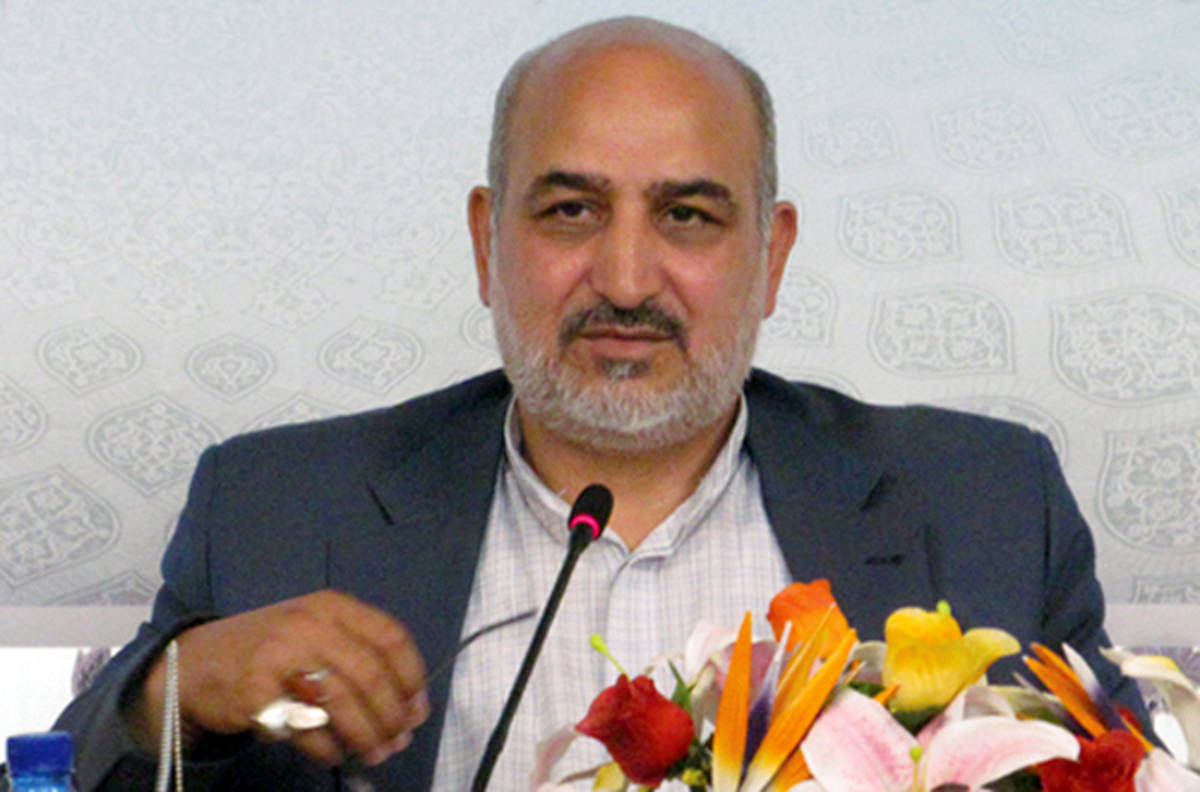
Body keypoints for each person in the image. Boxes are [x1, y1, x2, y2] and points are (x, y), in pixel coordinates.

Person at [54, 16, 1145, 791]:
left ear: (771, 257)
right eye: (571, 211)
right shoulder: (277, 506)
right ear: (488, 242)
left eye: (688, 217)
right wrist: (176, 693)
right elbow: (74, 765)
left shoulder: (986, 505)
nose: (625, 280)